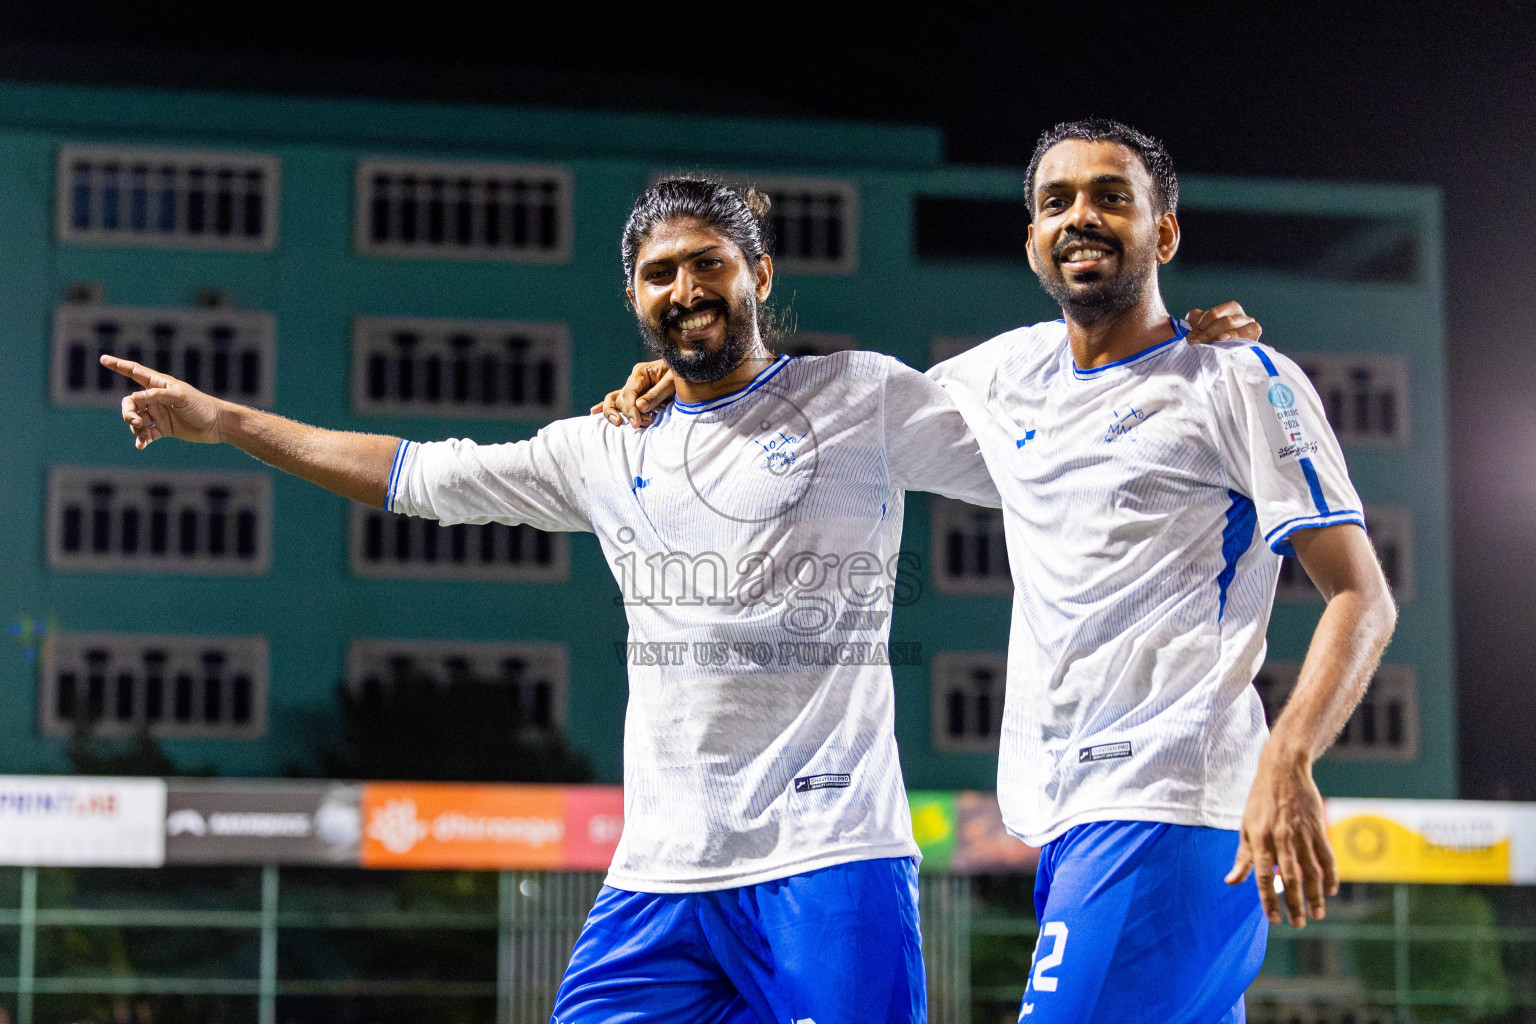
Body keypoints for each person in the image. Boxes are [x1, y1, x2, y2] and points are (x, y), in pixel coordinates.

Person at [105, 176, 1260, 1024]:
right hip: (660, 873)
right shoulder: (603, 446)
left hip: (832, 860)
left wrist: (1175, 347)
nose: (686, 287)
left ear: (760, 275)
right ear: (633, 297)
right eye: (661, 271)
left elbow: (1054, 426)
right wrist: (228, 423)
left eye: (710, 261)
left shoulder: (862, 399)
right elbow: (416, 473)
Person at [600, 122, 1397, 1024]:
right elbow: (828, 417)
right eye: (1057, 202)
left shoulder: (1238, 377)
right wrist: (687, 382)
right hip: (1066, 819)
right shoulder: (1005, 373)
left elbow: (1361, 595)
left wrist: (1289, 758)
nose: (1081, 217)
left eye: (1110, 197)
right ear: (1032, 242)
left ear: (1164, 232)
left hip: (1169, 802)